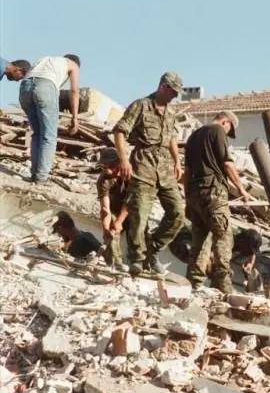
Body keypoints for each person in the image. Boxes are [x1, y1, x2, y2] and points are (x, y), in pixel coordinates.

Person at [113, 72, 185, 276]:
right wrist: (124, 159)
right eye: (172, 92)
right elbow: (119, 131)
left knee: (177, 213)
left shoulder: (170, 112)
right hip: (143, 164)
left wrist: (177, 161)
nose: (174, 96)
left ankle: (152, 250)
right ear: (163, 86)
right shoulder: (141, 105)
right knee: (139, 215)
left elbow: (171, 137)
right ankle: (137, 259)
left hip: (165, 167)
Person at [183, 111, 252, 293]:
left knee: (200, 239)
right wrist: (242, 189)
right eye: (229, 129)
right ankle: (223, 283)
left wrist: (187, 197)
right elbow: (227, 163)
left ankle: (194, 283)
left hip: (195, 193)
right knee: (223, 235)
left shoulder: (193, 136)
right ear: (226, 122)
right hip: (213, 191)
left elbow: (187, 170)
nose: (228, 134)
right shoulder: (217, 131)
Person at [19, 55, 81, 184]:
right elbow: (74, 91)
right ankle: (41, 178)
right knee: (49, 136)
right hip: (45, 87)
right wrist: (75, 117)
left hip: (25, 87)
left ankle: (34, 175)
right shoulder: (73, 65)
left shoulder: (47, 59)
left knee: (37, 134)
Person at [169, 226, 264, 291]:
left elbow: (252, 254)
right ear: (243, 243)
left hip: (197, 241)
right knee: (220, 270)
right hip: (180, 240)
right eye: (249, 250)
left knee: (222, 270)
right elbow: (209, 256)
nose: (249, 253)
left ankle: (215, 290)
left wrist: (250, 264)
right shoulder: (225, 241)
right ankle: (198, 288)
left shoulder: (239, 238)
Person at [96, 147, 129, 272]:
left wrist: (120, 221)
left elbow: (131, 202)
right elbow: (105, 208)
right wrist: (106, 230)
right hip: (115, 209)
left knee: (139, 230)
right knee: (110, 226)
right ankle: (114, 264)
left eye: (110, 167)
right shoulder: (103, 180)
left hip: (133, 208)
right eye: (104, 167)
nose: (108, 171)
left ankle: (142, 264)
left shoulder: (130, 175)